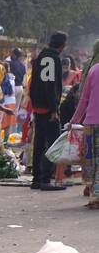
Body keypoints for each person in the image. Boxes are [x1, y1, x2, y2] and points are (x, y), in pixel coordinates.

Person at [29, 31, 68, 191]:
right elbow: (50, 84)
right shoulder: (52, 59)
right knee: (52, 143)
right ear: (62, 45)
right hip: (47, 108)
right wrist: (54, 109)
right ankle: (46, 179)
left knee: (39, 142)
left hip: (38, 105)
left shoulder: (41, 56)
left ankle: (37, 179)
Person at [70, 44, 99, 208]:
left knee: (92, 161)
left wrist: (74, 120)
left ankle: (94, 196)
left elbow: (84, 99)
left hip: (90, 123)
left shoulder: (94, 69)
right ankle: (96, 197)